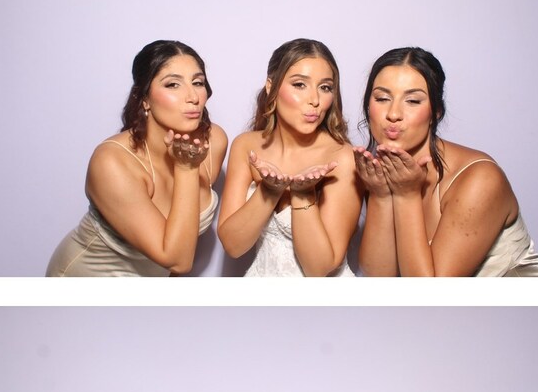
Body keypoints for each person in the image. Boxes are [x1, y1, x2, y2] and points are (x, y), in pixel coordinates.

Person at [355, 48, 538, 278]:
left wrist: (406, 195)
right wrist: (381, 195)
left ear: (436, 112)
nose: (393, 114)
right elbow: (378, 280)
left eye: (412, 101)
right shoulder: (380, 171)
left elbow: (430, 294)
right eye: (382, 99)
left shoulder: (480, 179)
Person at [46, 40, 227, 277]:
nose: (193, 96)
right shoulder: (112, 161)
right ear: (144, 98)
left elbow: (181, 235)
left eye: (198, 82)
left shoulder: (213, 142)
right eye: (173, 85)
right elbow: (178, 261)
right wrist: (186, 168)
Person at [218, 38, 361, 276]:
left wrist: (303, 195)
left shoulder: (341, 158)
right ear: (271, 86)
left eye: (325, 87)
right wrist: (269, 191)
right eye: (299, 85)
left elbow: (319, 269)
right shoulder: (246, 146)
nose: (315, 100)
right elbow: (233, 246)